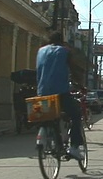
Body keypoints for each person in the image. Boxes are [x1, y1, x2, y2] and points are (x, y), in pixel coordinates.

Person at [36, 30, 84, 160]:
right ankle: (74, 147)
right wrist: (81, 85)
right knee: (75, 115)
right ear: (61, 41)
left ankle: (49, 137)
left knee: (50, 116)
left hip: (42, 92)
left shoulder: (40, 51)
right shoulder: (64, 51)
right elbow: (73, 70)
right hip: (60, 92)